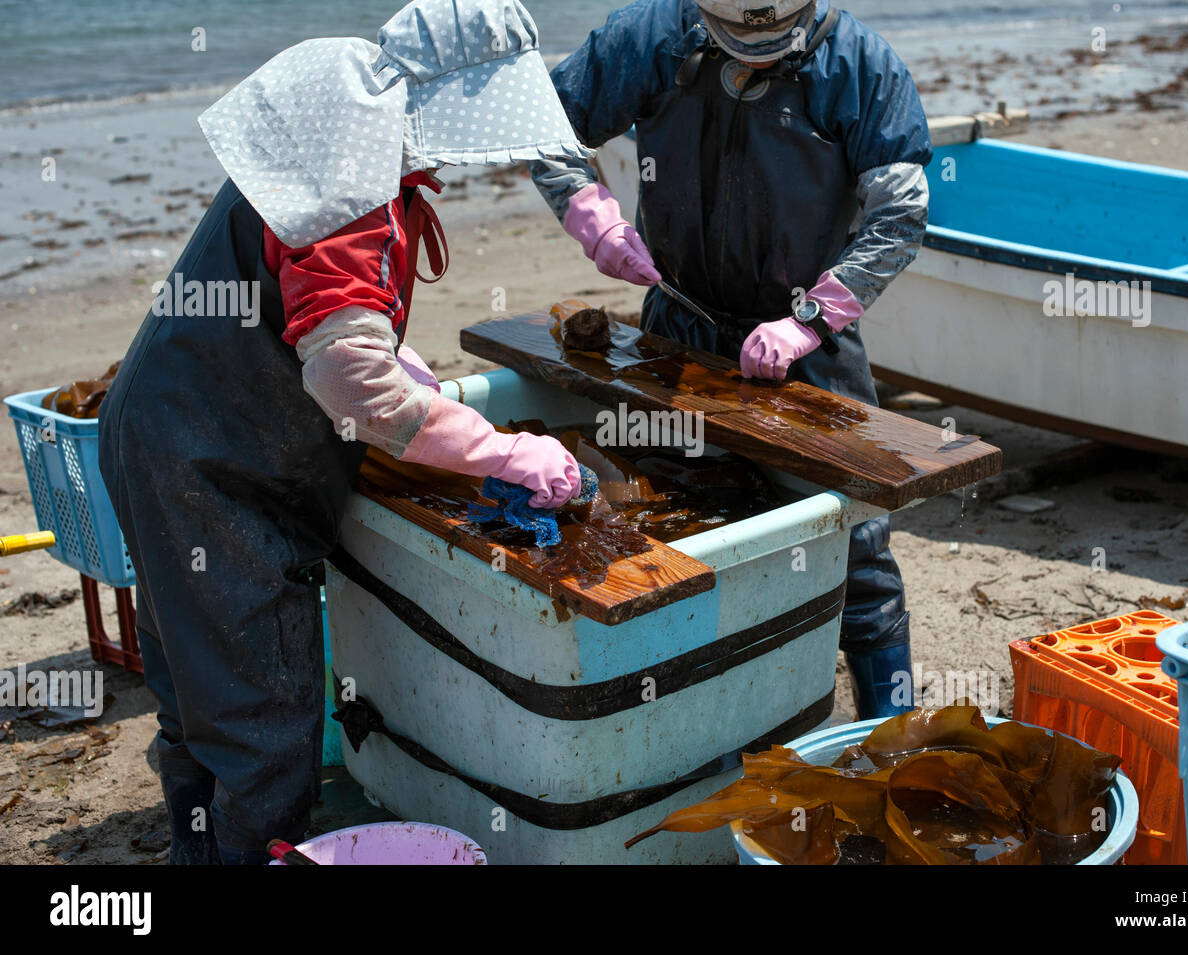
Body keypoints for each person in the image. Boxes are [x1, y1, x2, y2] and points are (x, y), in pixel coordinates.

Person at [98, 0, 588, 865]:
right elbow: (350, 380)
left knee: (193, 694)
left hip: (158, 428)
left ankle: (195, 847)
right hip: (219, 472)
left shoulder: (335, 140)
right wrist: (506, 450)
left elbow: (329, 324)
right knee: (263, 726)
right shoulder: (350, 188)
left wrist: (416, 374)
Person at [530, 0, 931, 720]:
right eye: (739, 43)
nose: (755, 57)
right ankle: (703, 716)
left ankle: (891, 724)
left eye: (772, 46)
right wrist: (591, 215)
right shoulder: (648, 38)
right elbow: (539, 124)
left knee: (857, 547)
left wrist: (811, 319)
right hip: (677, 332)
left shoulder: (861, 67)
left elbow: (899, 216)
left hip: (810, 344)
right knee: (667, 522)